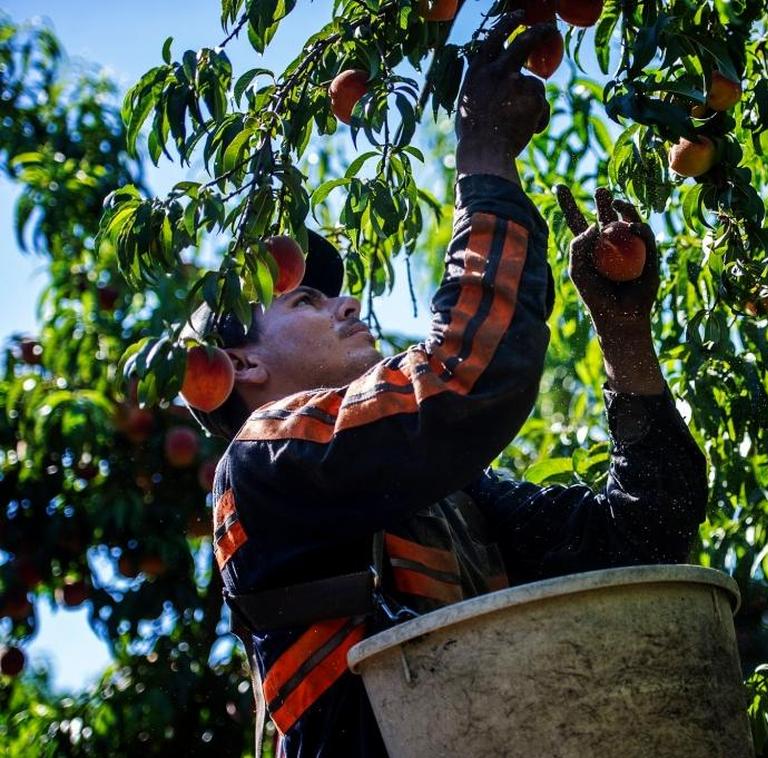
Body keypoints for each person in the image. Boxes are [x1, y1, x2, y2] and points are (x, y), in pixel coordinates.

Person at [188, 14, 707, 758]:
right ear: (241, 367)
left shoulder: (452, 504)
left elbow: (646, 533)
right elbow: (461, 376)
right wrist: (484, 156)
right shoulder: (264, 467)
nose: (346, 303)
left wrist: (624, 334)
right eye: (304, 302)